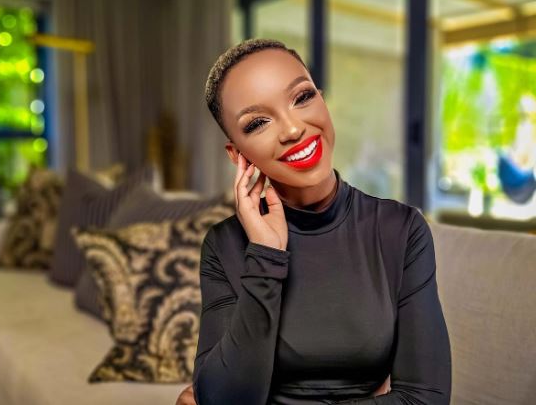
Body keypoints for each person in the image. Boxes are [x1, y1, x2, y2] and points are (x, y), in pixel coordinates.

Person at [176, 38, 451, 405]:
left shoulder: (400, 230)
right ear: (238, 154)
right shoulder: (223, 244)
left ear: (321, 99)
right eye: (258, 123)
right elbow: (222, 399)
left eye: (302, 97)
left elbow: (426, 398)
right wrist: (266, 257)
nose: (292, 129)